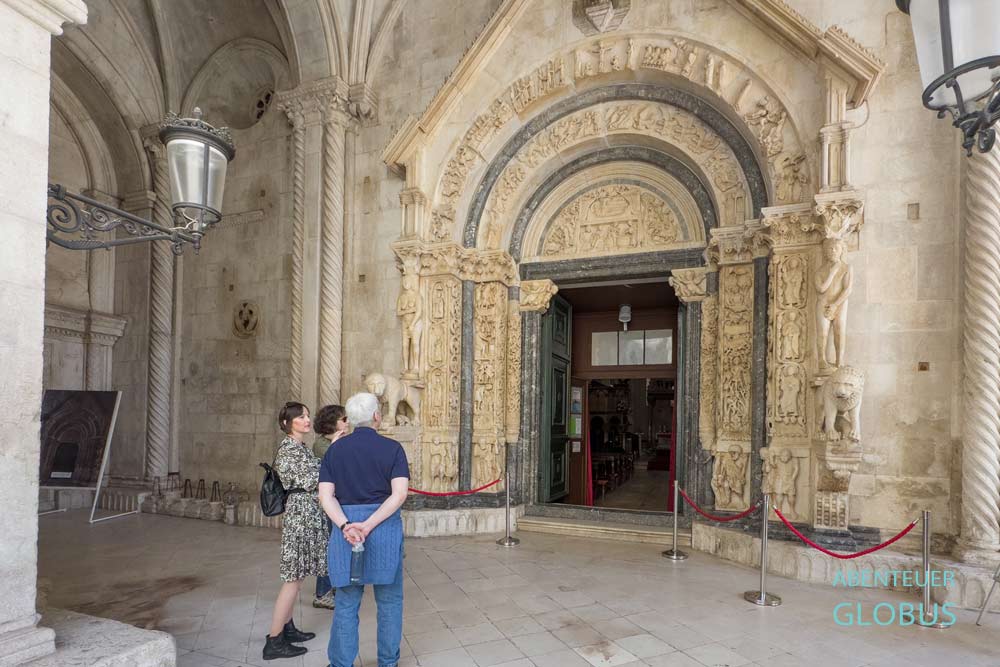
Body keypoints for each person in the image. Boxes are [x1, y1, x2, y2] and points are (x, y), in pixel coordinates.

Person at [318, 392, 409, 667]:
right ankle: (388, 662)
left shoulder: (335, 450)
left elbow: (325, 496)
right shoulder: (393, 449)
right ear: (377, 417)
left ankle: (340, 663)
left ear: (350, 420)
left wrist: (346, 525)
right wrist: (368, 524)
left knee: (346, 602)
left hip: (347, 532)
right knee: (389, 602)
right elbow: (399, 494)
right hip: (383, 528)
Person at [263, 402, 329, 660]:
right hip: (300, 517)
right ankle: (274, 641)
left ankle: (287, 628)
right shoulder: (288, 448)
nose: (307, 419)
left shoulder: (300, 446)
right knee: (292, 579)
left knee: (297, 577)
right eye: (301, 417)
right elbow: (311, 479)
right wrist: (332, 460)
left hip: (307, 515)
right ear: (287, 423)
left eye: (307, 415)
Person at [310, 404, 349, 610]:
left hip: (339, 500)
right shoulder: (321, 444)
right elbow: (333, 464)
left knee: (337, 545)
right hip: (326, 502)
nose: (347, 422)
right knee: (328, 546)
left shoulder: (340, 441)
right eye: (344, 419)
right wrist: (336, 443)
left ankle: (335, 586)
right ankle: (322, 593)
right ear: (333, 423)